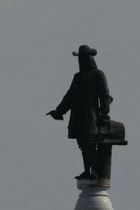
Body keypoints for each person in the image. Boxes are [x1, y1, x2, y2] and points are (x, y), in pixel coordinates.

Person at [47, 45, 114, 182]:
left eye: (82, 58)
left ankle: (95, 170)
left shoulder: (98, 74)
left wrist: (104, 110)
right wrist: (59, 111)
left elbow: (104, 94)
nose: (80, 61)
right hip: (78, 117)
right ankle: (87, 170)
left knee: (90, 144)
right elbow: (69, 97)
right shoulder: (77, 77)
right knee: (83, 145)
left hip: (91, 117)